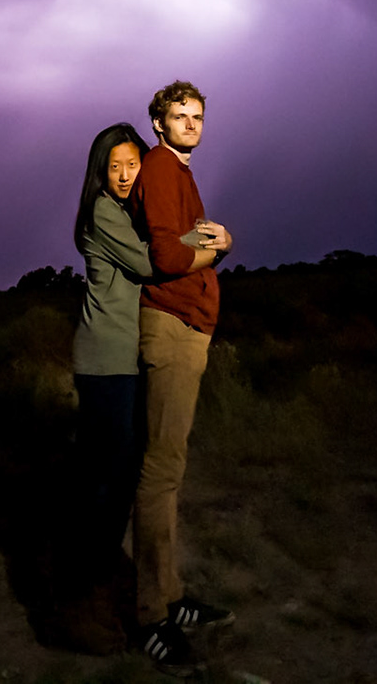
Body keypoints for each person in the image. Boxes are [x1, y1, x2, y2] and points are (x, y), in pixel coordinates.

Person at [129, 80, 233, 673]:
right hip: (170, 326)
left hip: (187, 326)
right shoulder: (162, 167)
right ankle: (151, 616)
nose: (191, 123)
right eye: (180, 115)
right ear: (159, 122)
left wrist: (220, 239)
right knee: (159, 471)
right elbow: (168, 258)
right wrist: (214, 250)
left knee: (169, 469)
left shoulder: (180, 173)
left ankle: (170, 595)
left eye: (197, 116)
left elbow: (181, 241)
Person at [70, 122, 155, 589]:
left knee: (114, 471)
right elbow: (147, 263)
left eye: (132, 164)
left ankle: (94, 567)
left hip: (123, 359)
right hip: (106, 360)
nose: (124, 174)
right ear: (99, 173)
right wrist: (210, 244)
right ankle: (90, 575)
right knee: (109, 474)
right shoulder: (104, 211)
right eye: (114, 166)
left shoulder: (125, 212)